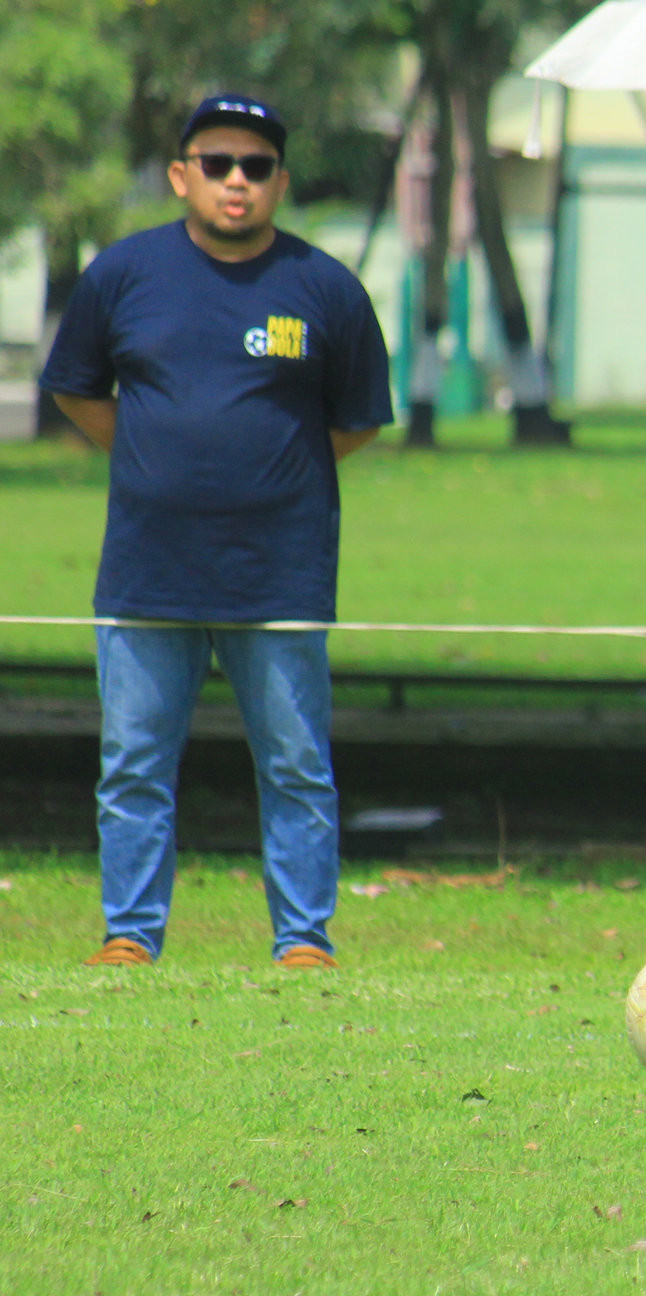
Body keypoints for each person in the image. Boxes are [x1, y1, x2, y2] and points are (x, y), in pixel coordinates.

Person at [40, 95, 392, 969]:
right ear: (180, 175)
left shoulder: (326, 288)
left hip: (279, 574)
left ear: (279, 180)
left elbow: (354, 421)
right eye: (218, 164)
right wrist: (155, 457)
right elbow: (78, 391)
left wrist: (274, 474)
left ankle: (303, 939)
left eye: (257, 166)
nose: (238, 181)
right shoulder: (121, 276)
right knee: (133, 768)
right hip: (146, 574)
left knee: (297, 768)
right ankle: (130, 934)